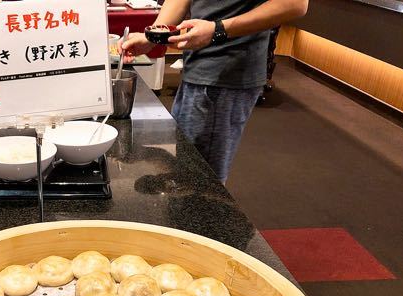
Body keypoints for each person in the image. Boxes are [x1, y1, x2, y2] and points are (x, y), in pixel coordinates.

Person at [121, 0, 308, 183]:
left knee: (201, 183)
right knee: (186, 166)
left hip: (224, 70)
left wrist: (218, 30)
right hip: (198, 67)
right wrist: (153, 36)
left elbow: (294, 4)